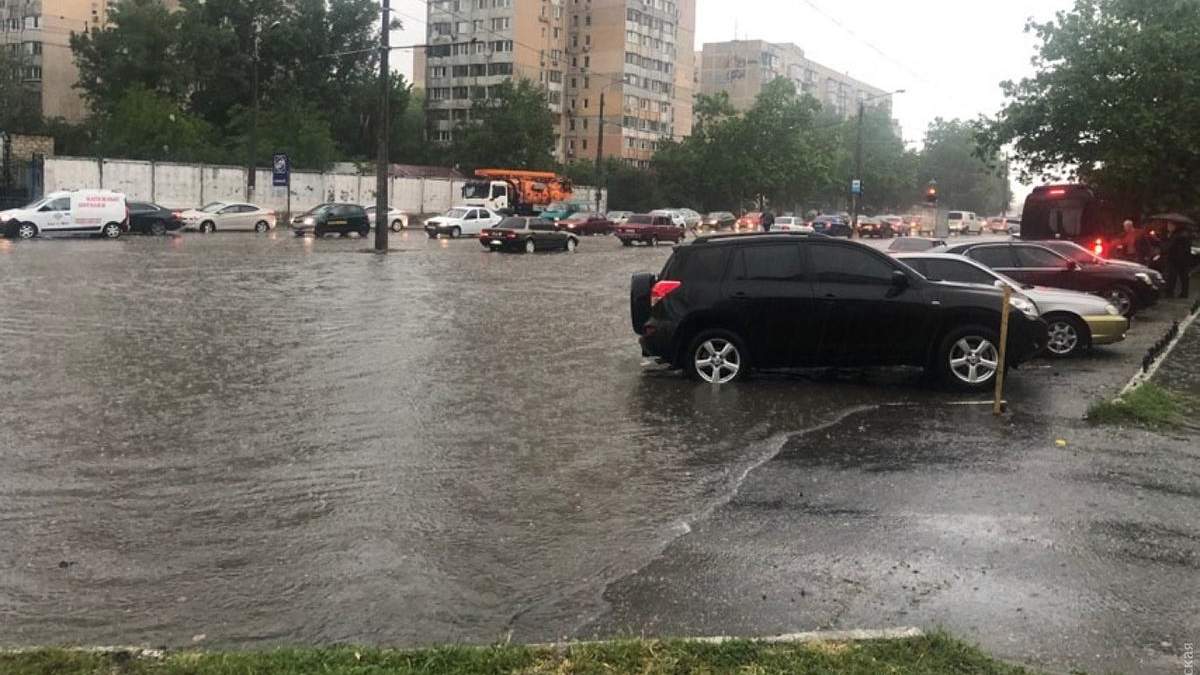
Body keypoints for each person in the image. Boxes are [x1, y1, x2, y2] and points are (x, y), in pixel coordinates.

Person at [1163, 221, 1194, 299]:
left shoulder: (1176, 235)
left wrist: (1168, 238)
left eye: (1169, 225)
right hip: (1184, 258)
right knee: (1184, 277)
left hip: (1174, 258)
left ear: (1174, 226)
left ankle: (1169, 293)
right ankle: (1184, 293)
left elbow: (1170, 246)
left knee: (1172, 276)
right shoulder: (1185, 233)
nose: (1168, 227)